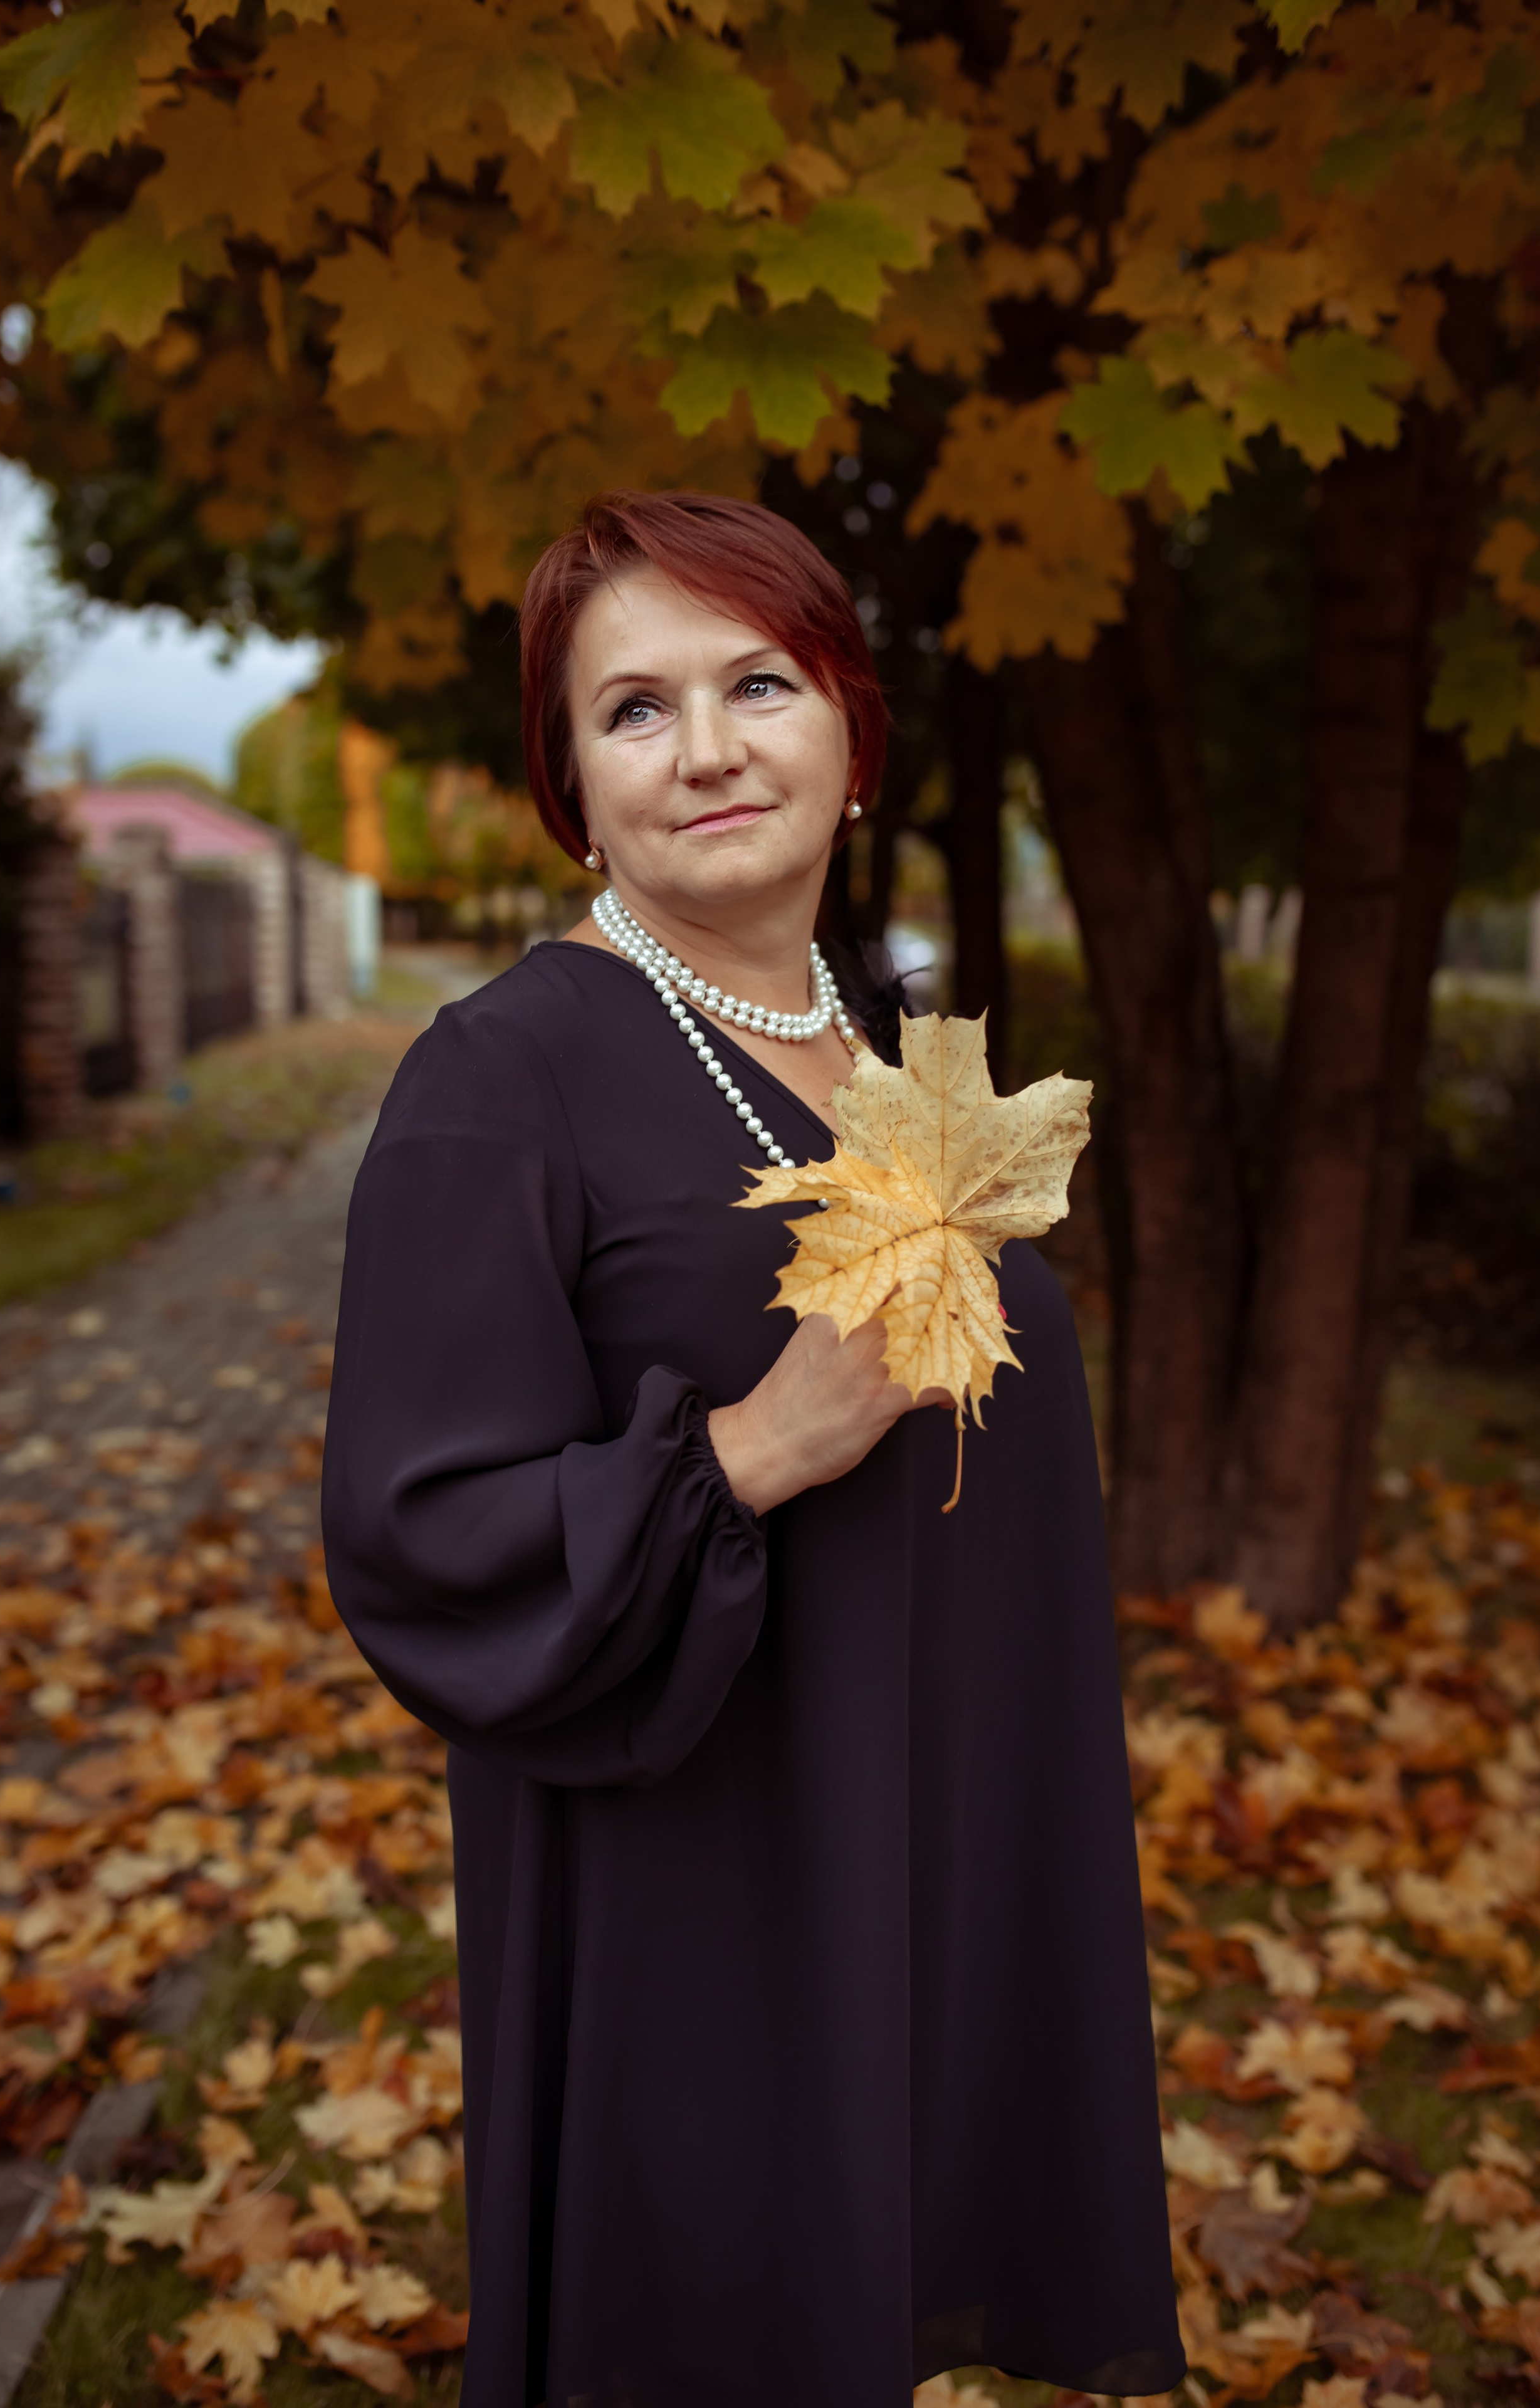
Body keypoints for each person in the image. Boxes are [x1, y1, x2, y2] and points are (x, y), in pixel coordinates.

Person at [321, 491, 1183, 2408]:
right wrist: (746, 1449)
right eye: (635, 708)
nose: (707, 748)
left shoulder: (890, 1046)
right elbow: (417, 1533)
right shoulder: (499, 1075)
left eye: (760, 683)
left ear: (851, 737)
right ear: (574, 781)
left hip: (932, 1806)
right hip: (694, 1864)